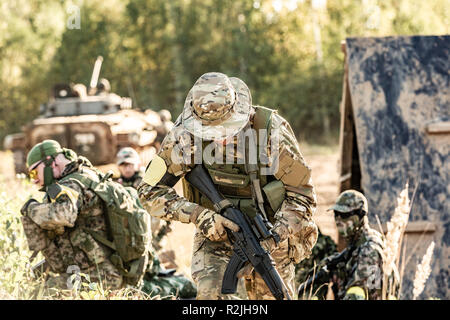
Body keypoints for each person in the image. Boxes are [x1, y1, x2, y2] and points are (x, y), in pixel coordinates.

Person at [138, 72, 318, 299]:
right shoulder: (185, 136)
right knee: (212, 295)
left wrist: (274, 236)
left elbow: (302, 195)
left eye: (226, 128)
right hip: (216, 231)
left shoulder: (268, 132)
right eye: (210, 131)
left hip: (272, 233)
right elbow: (148, 191)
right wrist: (200, 216)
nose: (220, 138)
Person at [20, 140, 126, 291]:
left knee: (40, 293)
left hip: (101, 276)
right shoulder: (85, 174)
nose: (34, 179)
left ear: (50, 162)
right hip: (102, 268)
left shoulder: (72, 184)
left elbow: (64, 215)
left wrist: (31, 208)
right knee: (35, 276)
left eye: (34, 172)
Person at [299, 190, 399, 300]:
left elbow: (357, 294)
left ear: (360, 216)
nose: (338, 219)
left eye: (345, 215)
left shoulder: (370, 249)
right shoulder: (354, 247)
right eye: (336, 214)